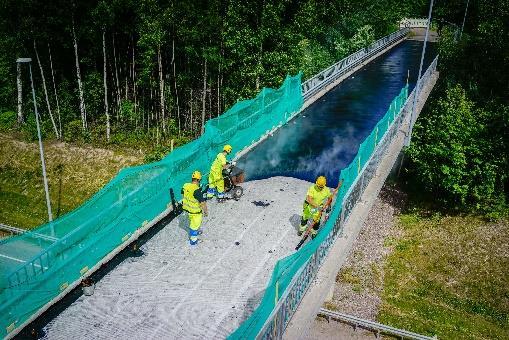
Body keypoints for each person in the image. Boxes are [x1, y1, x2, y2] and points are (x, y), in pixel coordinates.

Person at [182, 171, 208, 245]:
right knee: (194, 225)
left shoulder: (185, 185)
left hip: (187, 210)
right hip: (195, 212)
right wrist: (206, 211)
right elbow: (203, 203)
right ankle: (193, 241)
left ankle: (195, 232)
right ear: (199, 180)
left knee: (192, 223)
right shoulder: (197, 190)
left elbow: (183, 195)